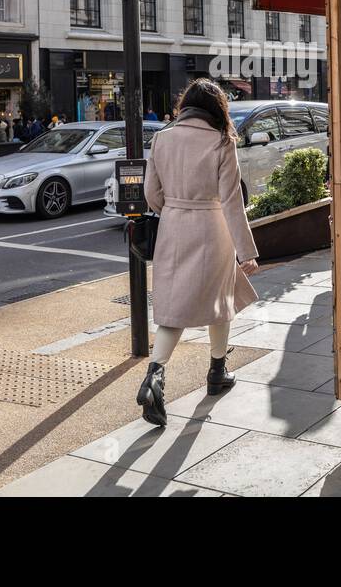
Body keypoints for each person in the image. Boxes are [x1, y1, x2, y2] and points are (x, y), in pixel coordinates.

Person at [136, 78, 261, 427]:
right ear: (217, 108)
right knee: (219, 301)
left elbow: (151, 194)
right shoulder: (222, 142)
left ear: (185, 105)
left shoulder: (162, 137)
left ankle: (155, 376)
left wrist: (174, 209)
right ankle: (217, 371)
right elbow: (232, 201)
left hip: (172, 226)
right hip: (212, 227)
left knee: (173, 308)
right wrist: (245, 251)